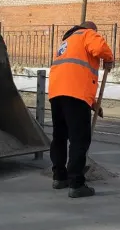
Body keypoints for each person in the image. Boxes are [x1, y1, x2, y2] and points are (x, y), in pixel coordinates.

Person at [47, 21, 115, 198]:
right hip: (75, 95)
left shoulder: (67, 42)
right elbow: (100, 48)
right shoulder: (87, 34)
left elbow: (74, 73)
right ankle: (77, 183)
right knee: (79, 139)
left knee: (60, 136)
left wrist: (92, 103)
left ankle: (59, 177)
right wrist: (109, 58)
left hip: (57, 94)